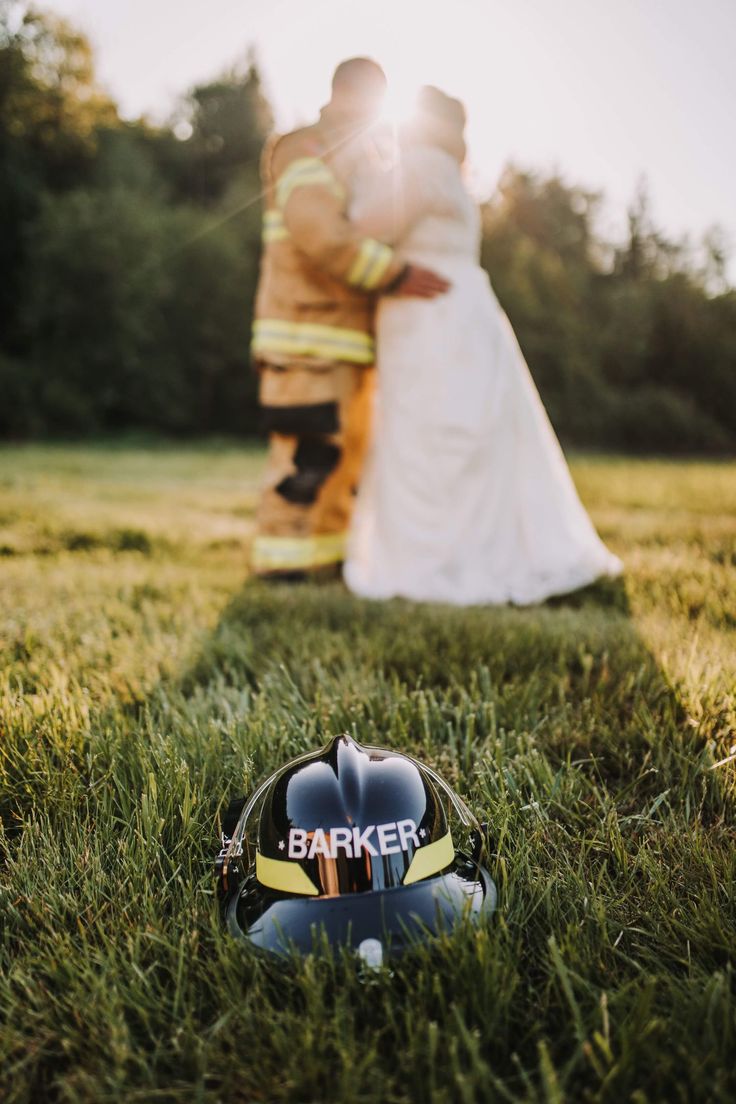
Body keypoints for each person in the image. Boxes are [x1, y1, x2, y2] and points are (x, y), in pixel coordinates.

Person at [344, 87, 622, 605]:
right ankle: (469, 549)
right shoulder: (451, 175)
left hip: (428, 313)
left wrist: (360, 173)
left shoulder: (422, 168)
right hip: (467, 311)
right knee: (465, 431)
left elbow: (364, 224)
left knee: (427, 429)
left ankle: (432, 560)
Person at [250, 59, 449, 579]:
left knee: (344, 465)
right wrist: (394, 272)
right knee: (306, 462)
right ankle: (280, 571)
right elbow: (318, 231)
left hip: (348, 342)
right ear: (340, 93)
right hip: (305, 338)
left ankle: (327, 563)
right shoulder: (303, 147)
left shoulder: (368, 155)